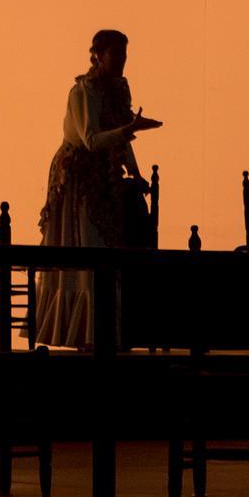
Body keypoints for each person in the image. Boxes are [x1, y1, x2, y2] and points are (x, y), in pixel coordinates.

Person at [34, 29, 163, 348]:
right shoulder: (84, 91)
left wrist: (135, 171)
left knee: (108, 246)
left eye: (124, 55)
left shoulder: (118, 89)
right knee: (86, 248)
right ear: (98, 56)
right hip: (80, 176)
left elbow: (121, 136)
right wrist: (128, 129)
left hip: (106, 175)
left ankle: (106, 331)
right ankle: (83, 333)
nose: (121, 61)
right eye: (115, 54)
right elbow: (91, 139)